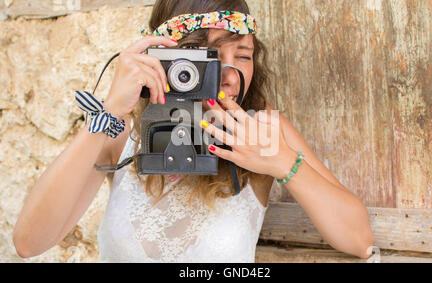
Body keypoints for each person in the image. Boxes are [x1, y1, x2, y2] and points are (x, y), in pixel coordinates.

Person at [13, 0, 374, 262]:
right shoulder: (123, 133)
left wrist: (283, 163)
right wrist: (109, 111)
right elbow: (29, 243)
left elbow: (359, 240)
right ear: (166, 58)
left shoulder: (262, 131)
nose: (229, 74)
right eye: (210, 55)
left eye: (243, 55)